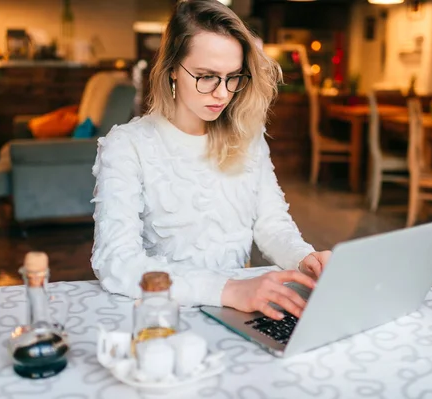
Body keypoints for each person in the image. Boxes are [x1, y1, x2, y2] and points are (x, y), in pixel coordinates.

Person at [91, 0, 331, 321]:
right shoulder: (127, 145)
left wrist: (304, 258)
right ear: (172, 69)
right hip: (163, 317)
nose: (222, 93)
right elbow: (116, 260)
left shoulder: (248, 134)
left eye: (234, 77)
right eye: (206, 76)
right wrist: (228, 290)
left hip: (238, 312)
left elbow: (271, 224)